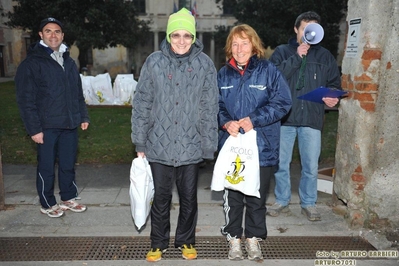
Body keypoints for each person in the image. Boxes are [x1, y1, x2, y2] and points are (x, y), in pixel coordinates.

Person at [131, 8, 218, 262]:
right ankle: (158, 242)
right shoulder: (154, 62)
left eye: (187, 35)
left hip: (191, 144)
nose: (181, 41)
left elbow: (209, 107)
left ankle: (186, 241)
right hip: (159, 144)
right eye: (176, 35)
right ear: (169, 37)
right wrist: (140, 140)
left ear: (193, 37)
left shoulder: (205, 65)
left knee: (189, 197)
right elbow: (142, 103)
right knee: (161, 197)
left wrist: (208, 144)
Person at [217, 24, 292, 261]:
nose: (240, 49)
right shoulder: (222, 74)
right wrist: (225, 122)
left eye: (245, 43)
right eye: (235, 44)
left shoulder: (269, 70)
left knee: (257, 199)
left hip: (262, 147)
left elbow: (283, 102)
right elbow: (214, 106)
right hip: (233, 149)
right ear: (230, 47)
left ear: (254, 45)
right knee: (234, 198)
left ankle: (253, 239)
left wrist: (255, 120)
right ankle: (234, 239)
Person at [267, 11, 342, 221]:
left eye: (313, 29)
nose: (309, 33)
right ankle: (282, 200)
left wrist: (331, 97)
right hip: (285, 119)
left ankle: (309, 203)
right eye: (305, 28)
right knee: (281, 164)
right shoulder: (282, 52)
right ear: (296, 29)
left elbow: (334, 84)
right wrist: (296, 57)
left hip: (311, 118)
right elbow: (272, 79)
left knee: (310, 165)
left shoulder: (325, 56)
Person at [15, 17, 90, 218]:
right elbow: (25, 100)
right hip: (46, 126)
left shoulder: (69, 61)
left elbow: (77, 92)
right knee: (47, 166)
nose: (53, 35)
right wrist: (34, 129)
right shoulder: (31, 63)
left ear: (62, 35)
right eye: (48, 31)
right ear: (41, 35)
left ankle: (68, 197)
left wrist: (82, 115)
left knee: (67, 163)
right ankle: (47, 202)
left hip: (69, 123)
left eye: (57, 31)